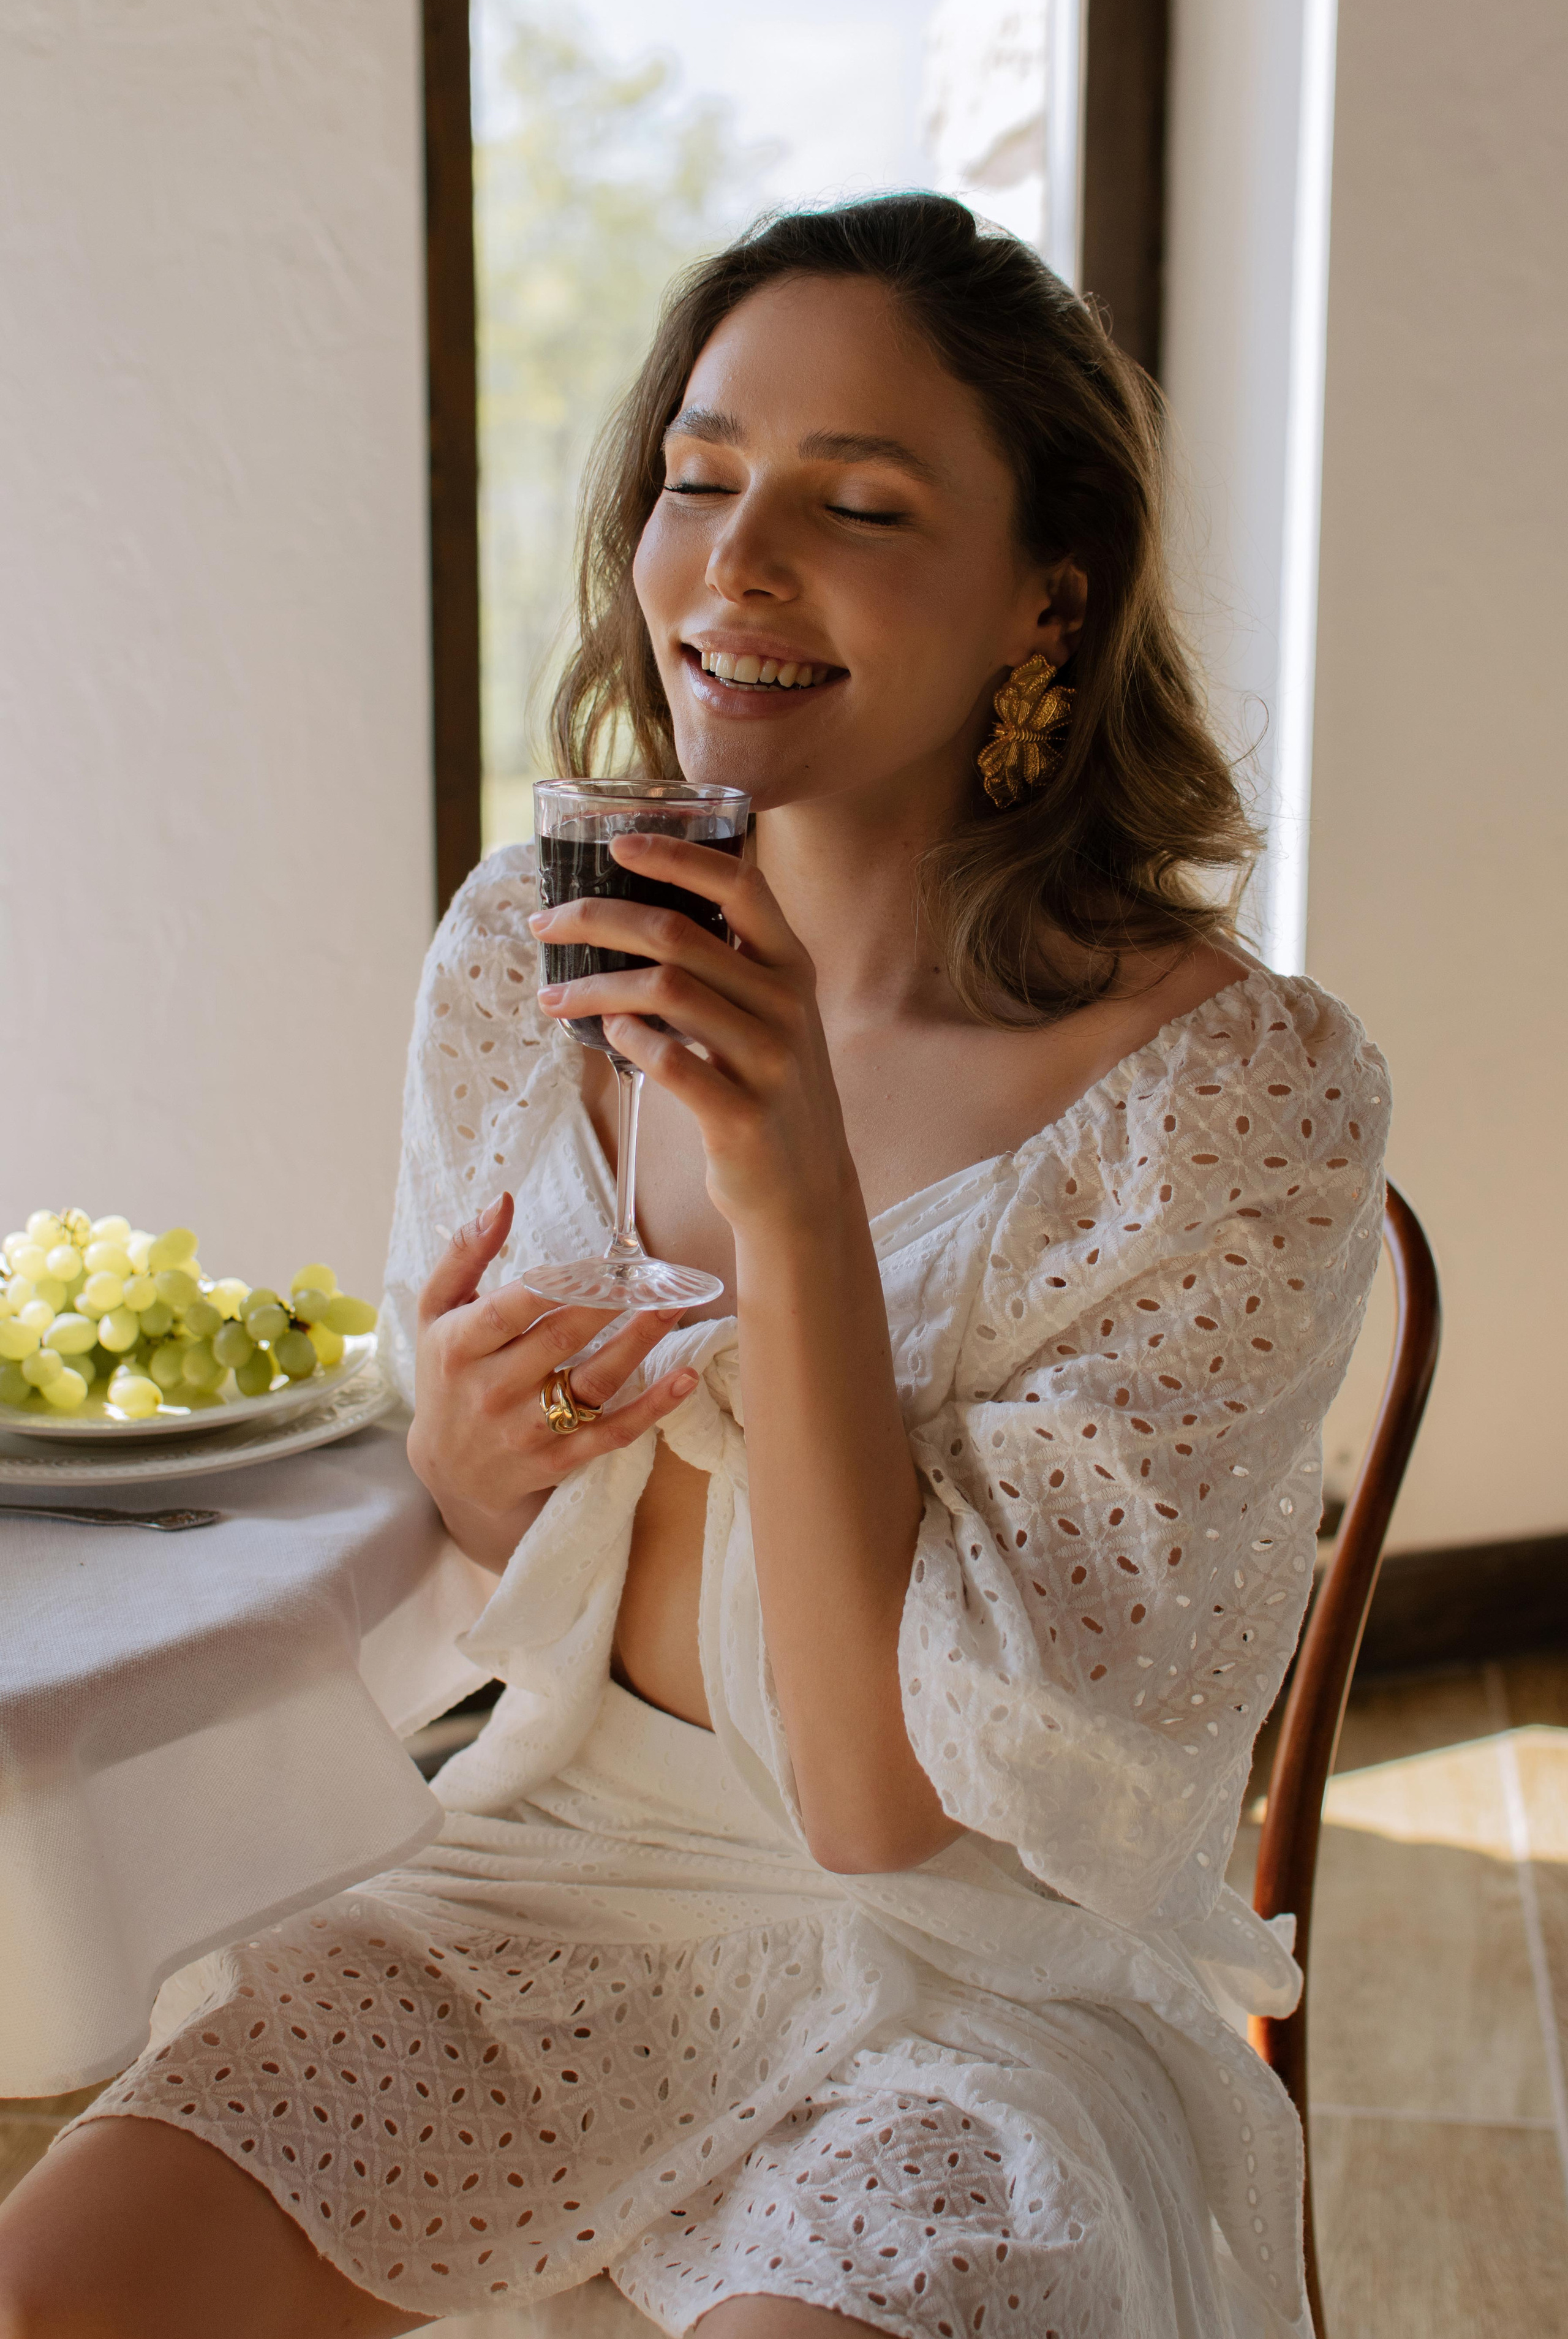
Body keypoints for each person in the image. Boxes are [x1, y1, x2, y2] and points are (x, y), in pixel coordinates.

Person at [0, 195, 1387, 2339]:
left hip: (962, 1980)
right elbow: (486, 1598)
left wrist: (797, 1191)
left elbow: (875, 1811)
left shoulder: (1233, 1102)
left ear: (1050, 594)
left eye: (859, 503)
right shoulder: (519, 956)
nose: (735, 566)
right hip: (536, 1895)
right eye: (700, 476)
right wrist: (465, 1478)